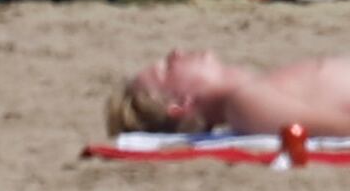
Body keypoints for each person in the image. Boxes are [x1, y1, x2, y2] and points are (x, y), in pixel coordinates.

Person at [109, 49, 350, 137]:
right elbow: (336, 127)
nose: (176, 52)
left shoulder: (253, 92)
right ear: (181, 105)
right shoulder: (244, 105)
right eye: (168, 68)